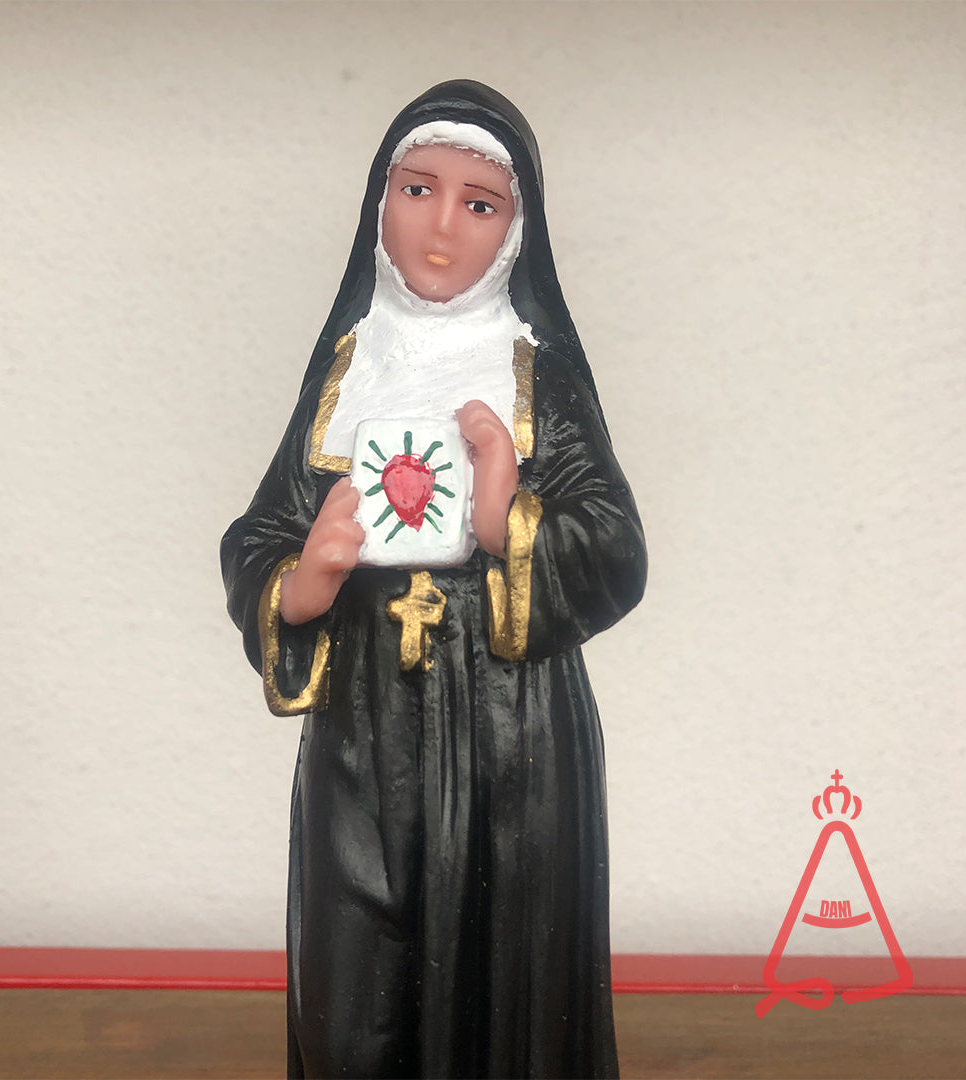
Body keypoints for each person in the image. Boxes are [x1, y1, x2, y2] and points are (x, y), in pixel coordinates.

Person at [221, 80, 647, 1079]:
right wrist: (304, 578)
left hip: (511, 730)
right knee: (355, 983)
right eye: (419, 190)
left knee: (502, 968)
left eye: (479, 202)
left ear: (516, 230)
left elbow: (616, 547)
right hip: (362, 729)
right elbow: (259, 536)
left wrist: (506, 521)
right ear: (381, 200)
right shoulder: (348, 366)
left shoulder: (536, 375)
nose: (443, 228)